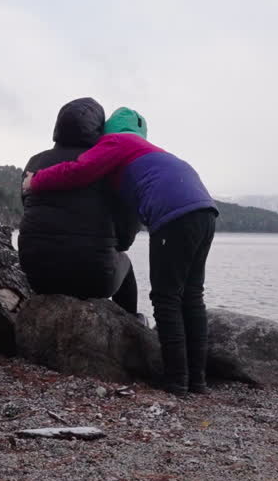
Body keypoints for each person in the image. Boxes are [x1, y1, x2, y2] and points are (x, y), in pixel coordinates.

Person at [23, 107, 217, 397]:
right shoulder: (146, 149)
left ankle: (177, 381)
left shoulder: (115, 143)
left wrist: (34, 181)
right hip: (205, 210)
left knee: (166, 297)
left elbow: (78, 170)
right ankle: (197, 382)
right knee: (191, 295)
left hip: (174, 215)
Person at [18, 98, 141, 315]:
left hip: (38, 275)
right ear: (98, 130)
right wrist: (118, 245)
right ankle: (132, 327)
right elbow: (126, 231)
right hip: (93, 279)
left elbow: (26, 205)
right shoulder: (107, 165)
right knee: (125, 264)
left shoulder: (34, 162)